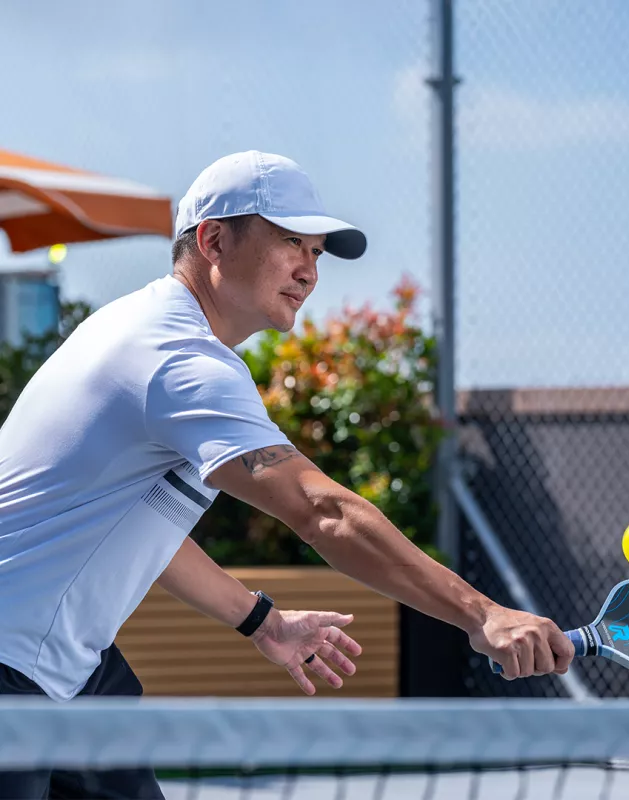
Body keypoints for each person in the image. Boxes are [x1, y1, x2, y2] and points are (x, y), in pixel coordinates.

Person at [0, 151, 573, 799]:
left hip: (67, 673)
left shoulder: (140, 329)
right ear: (214, 240)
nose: (308, 270)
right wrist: (483, 615)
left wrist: (261, 621)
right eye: (290, 243)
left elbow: (135, 535)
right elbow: (321, 513)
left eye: (318, 252)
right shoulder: (177, 358)